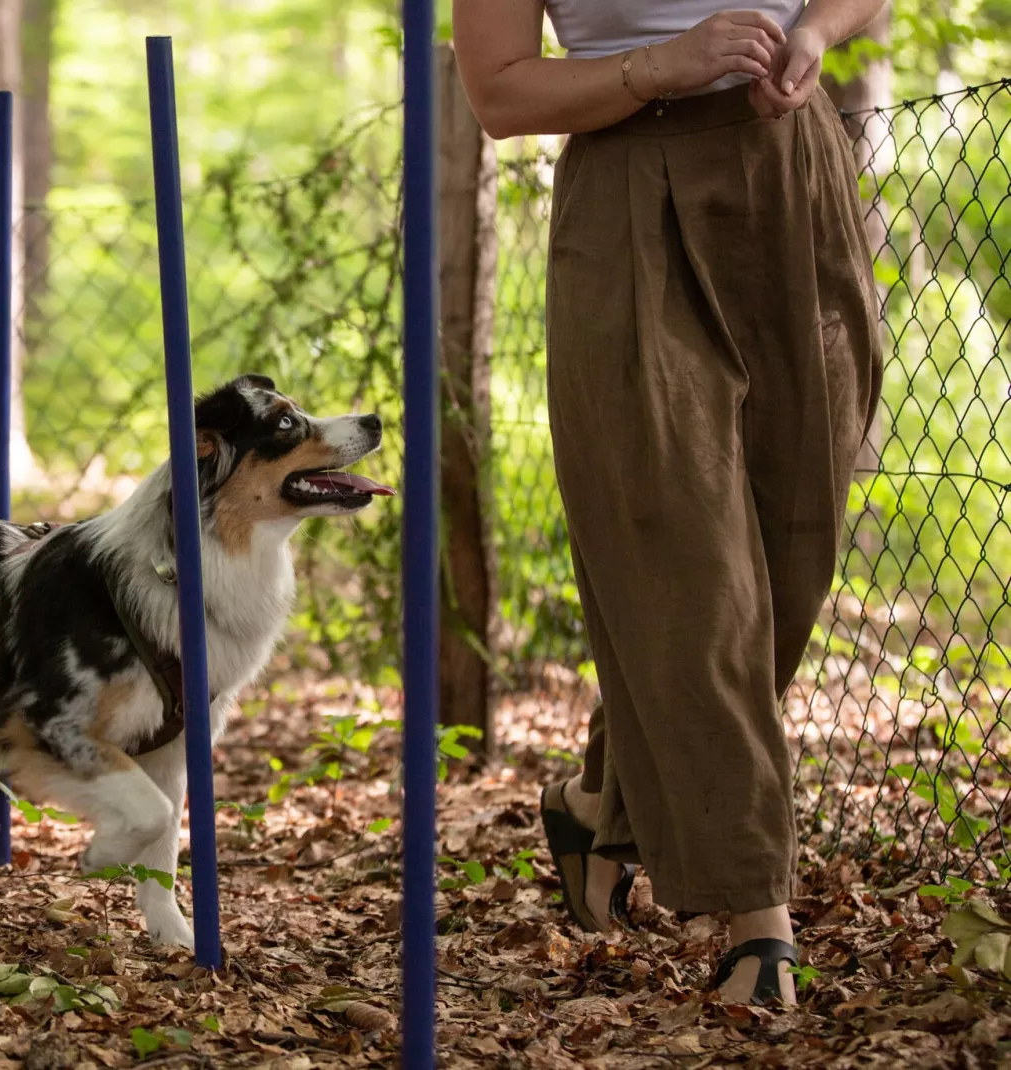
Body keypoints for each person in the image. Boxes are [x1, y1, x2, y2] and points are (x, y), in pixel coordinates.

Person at [450, 1, 886, 1005]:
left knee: (792, 553)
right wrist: (659, 66)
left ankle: (601, 798)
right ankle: (755, 918)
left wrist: (816, 35)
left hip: (795, 169)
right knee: (687, 563)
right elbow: (499, 93)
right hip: (627, 190)